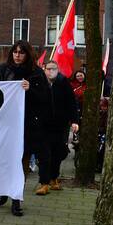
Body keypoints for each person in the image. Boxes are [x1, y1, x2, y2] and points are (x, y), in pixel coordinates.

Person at [0, 40, 52, 214]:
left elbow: (45, 98)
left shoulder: (36, 73)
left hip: (27, 126)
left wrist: (30, 89)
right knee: (4, 160)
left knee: (21, 163)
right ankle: (3, 190)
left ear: (27, 54)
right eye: (15, 52)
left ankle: (16, 199)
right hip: (5, 124)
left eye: (21, 52)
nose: (17, 55)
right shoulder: (3, 70)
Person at [43, 61, 80, 189]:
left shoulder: (63, 82)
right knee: (45, 153)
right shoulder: (40, 82)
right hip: (44, 124)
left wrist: (74, 121)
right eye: (48, 69)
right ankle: (44, 182)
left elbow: (71, 102)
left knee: (58, 152)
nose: (51, 71)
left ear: (57, 70)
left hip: (61, 124)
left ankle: (54, 178)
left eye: (53, 69)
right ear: (45, 69)